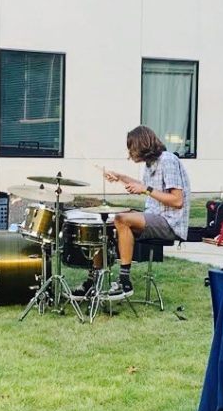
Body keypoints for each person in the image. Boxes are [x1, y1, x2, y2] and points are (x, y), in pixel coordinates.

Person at [72, 126, 191, 298]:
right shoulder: (151, 164)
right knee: (105, 223)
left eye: (131, 148)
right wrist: (120, 177)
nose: (129, 154)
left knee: (121, 218)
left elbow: (177, 201)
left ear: (142, 145)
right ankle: (94, 280)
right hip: (155, 215)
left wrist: (145, 189)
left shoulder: (168, 160)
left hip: (170, 222)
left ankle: (125, 282)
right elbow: (145, 187)